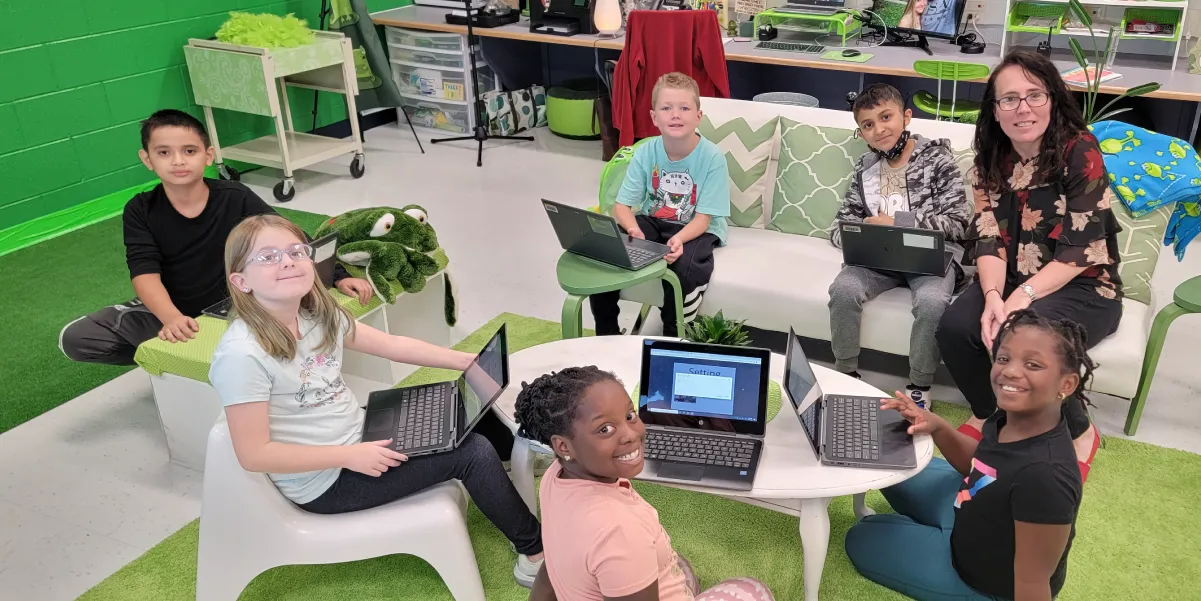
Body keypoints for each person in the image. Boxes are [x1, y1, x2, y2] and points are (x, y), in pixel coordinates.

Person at [207, 214, 544, 587]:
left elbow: (392, 346)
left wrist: (467, 362)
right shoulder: (241, 355)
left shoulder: (316, 314)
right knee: (472, 452)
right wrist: (349, 456)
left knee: (456, 402)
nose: (287, 261)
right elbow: (254, 454)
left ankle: (505, 471)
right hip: (327, 479)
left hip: (357, 432)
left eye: (296, 251)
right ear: (241, 281)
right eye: (267, 257)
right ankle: (534, 552)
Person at [58, 109, 372, 365]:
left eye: (189, 151)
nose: (178, 161)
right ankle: (176, 362)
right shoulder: (140, 209)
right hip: (177, 310)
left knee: (290, 318)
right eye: (164, 152)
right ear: (147, 159)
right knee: (77, 339)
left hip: (236, 307)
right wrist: (171, 319)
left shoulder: (235, 197)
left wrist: (339, 276)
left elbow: (290, 238)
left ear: (208, 155)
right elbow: (143, 272)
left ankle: (217, 355)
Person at [936, 50, 1118, 480]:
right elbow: (988, 238)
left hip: (1084, 285)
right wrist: (995, 296)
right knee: (956, 327)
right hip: (1013, 278)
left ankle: (1079, 433)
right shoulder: (987, 157)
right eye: (1010, 99)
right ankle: (992, 413)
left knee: (1028, 335)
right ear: (994, 111)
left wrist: (1019, 299)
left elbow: (1080, 252)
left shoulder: (1080, 151)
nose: (1023, 108)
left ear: (1052, 99)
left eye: (1035, 95)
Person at [846, 309, 1088, 601]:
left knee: (860, 537)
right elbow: (984, 466)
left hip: (980, 580)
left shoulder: (1046, 478)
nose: (1010, 371)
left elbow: (1033, 582)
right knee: (888, 456)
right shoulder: (1015, 415)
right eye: (1003, 358)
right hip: (972, 510)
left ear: (1067, 385)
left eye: (1033, 364)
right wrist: (936, 426)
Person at [515, 366, 774, 601]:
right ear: (563, 445)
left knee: (671, 563)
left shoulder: (555, 475)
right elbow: (619, 544)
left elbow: (553, 566)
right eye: (604, 429)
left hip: (610, 573)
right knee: (752, 589)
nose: (631, 435)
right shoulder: (620, 534)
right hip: (626, 556)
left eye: (629, 415)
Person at [829, 83, 970, 409]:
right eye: (867, 124)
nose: (879, 129)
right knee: (843, 290)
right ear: (861, 133)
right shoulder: (865, 168)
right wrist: (862, 231)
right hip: (877, 257)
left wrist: (897, 223)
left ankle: (919, 384)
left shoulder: (938, 162)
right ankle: (845, 374)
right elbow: (839, 226)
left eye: (886, 117)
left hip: (930, 258)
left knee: (933, 302)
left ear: (906, 116)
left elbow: (959, 224)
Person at [589, 72, 731, 338]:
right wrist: (634, 230)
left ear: (698, 116)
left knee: (686, 268)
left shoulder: (712, 157)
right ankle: (606, 334)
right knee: (606, 251)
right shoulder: (645, 152)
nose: (675, 115)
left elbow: (703, 219)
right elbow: (622, 207)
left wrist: (677, 239)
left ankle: (674, 335)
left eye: (684, 108)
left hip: (696, 226)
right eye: (666, 108)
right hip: (653, 219)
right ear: (654, 117)